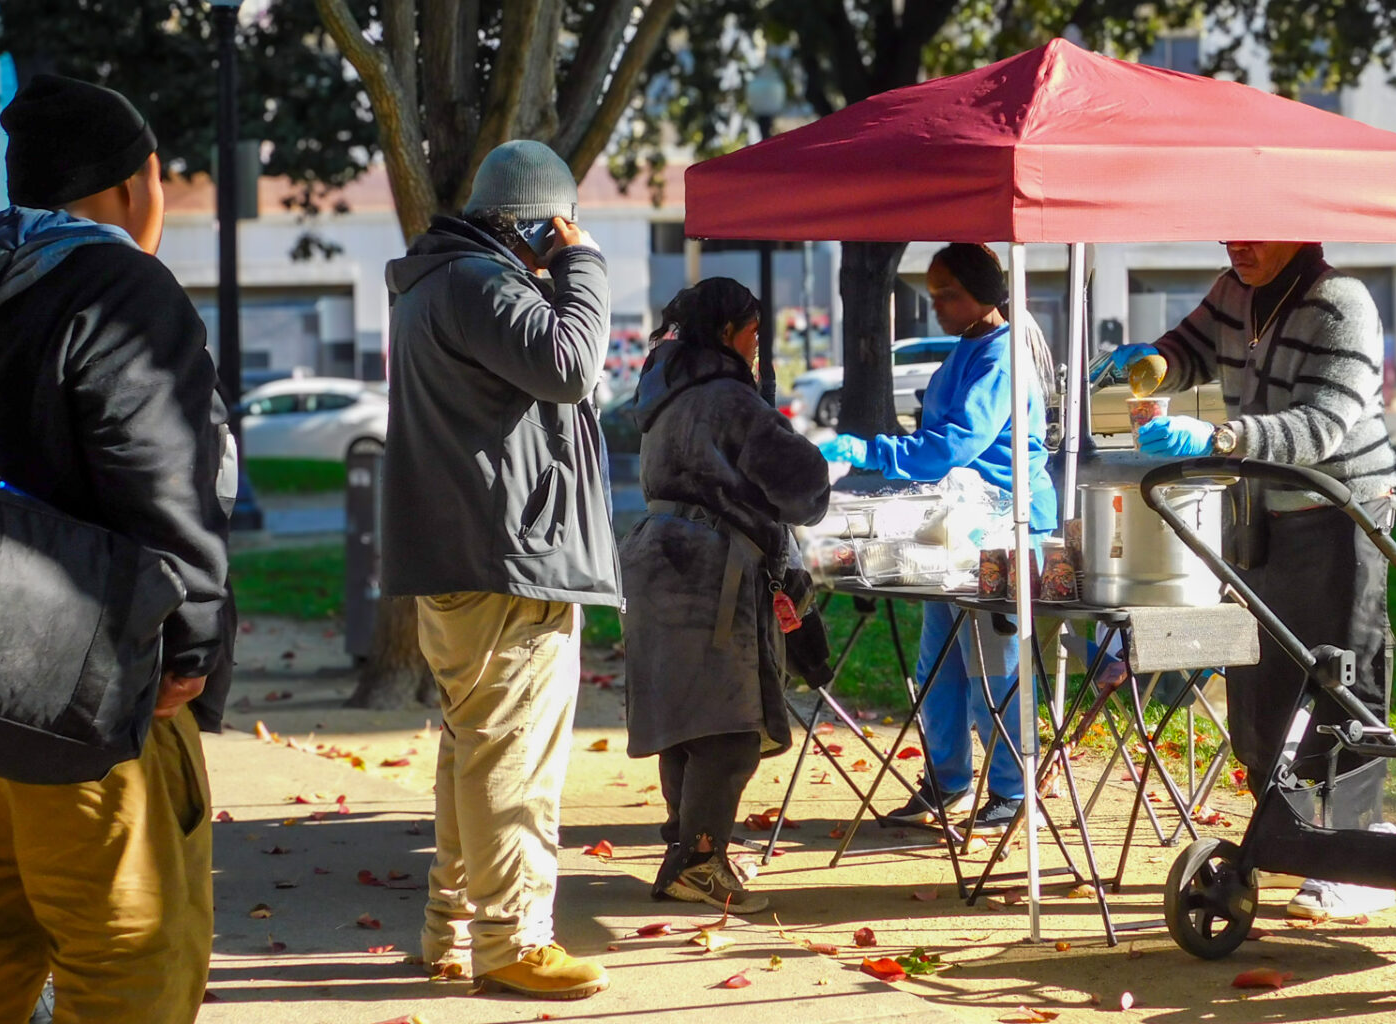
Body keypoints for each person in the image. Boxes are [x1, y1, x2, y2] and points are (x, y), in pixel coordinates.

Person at [0, 75, 233, 1022]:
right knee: (131, 946)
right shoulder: (125, 290)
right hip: (76, 682)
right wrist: (187, 646)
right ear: (136, 184)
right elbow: (164, 474)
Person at [382, 140, 617, 1000]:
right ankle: (515, 940)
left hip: (477, 552)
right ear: (537, 225)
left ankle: (451, 931)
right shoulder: (480, 284)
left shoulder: (440, 283)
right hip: (504, 561)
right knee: (512, 757)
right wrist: (583, 265)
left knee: (476, 753)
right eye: (560, 227)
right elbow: (571, 367)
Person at [1114, 240, 1396, 920]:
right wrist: (1147, 366)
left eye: (1254, 227)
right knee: (1258, 683)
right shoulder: (1231, 290)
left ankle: (1357, 852)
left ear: (1298, 226)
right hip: (1260, 511)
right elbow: (1186, 351)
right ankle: (1298, 835)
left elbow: (1323, 427)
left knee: (1344, 681)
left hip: (1342, 510)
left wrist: (1218, 440)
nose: (1235, 241)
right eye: (1228, 227)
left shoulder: (1342, 304)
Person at [818, 243, 1058, 831]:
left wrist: (873, 450)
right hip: (960, 527)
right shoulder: (966, 351)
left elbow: (952, 446)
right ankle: (946, 780)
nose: (938, 307)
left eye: (947, 294)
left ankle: (1010, 789)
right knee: (938, 666)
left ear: (984, 292)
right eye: (932, 296)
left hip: (1006, 528)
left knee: (994, 667)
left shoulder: (1002, 357)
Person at [619, 278, 831, 915]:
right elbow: (801, 484)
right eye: (754, 333)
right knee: (728, 728)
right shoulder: (727, 396)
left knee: (687, 723)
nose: (758, 347)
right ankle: (700, 859)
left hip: (657, 558)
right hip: (709, 570)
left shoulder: (666, 391)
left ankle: (687, 848)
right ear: (725, 333)